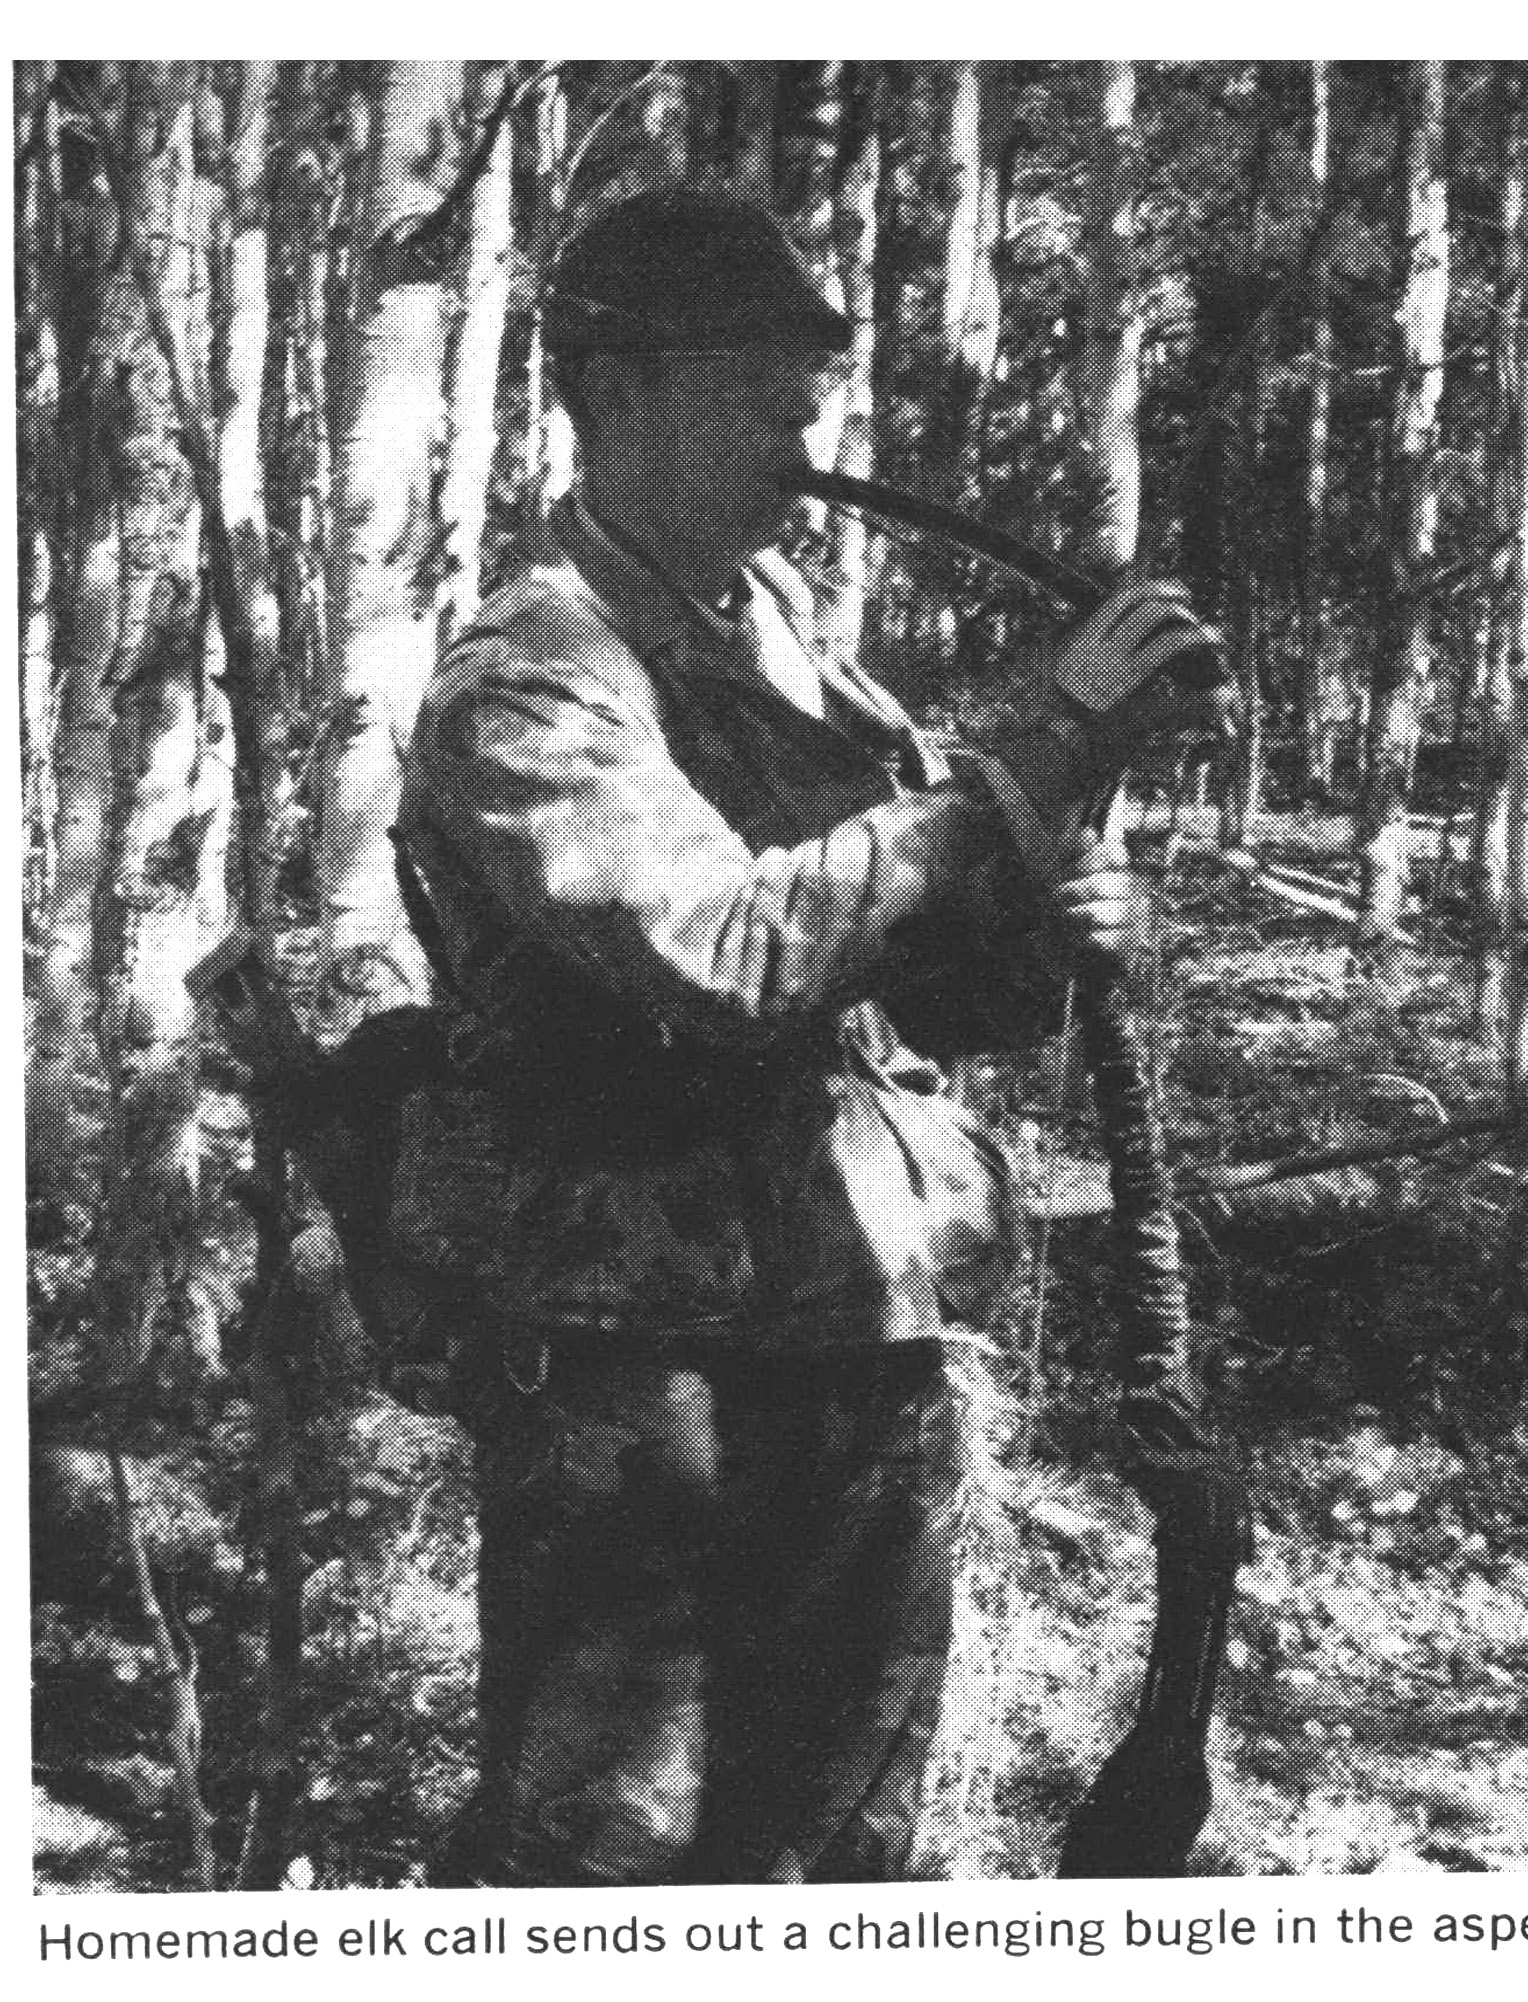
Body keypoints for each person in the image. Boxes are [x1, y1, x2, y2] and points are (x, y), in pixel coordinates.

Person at [390, 188, 1219, 1887]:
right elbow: (718, 955)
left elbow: (918, 992)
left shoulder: (799, 663)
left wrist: (1043, 933)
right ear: (615, 394)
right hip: (640, 1369)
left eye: (811, 380)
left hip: (857, 1331)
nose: (803, 420)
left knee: (838, 1850)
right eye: (757, 377)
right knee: (603, 1865)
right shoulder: (532, 676)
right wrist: (1028, 756)